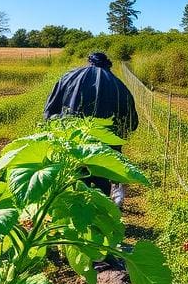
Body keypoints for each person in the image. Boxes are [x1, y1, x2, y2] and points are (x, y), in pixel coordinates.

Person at [43, 51, 138, 206]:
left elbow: (49, 111)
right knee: (102, 185)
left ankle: (75, 214)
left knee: (75, 182)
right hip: (105, 148)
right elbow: (131, 123)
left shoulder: (68, 78)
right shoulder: (119, 86)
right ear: (108, 65)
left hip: (74, 144)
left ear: (89, 62)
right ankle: (101, 215)